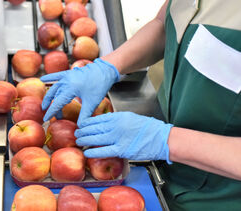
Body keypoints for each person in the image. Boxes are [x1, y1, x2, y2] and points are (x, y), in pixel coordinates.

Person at [40, 0, 241, 210]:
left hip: (216, 198)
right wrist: (109, 66)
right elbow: (167, 24)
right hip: (161, 153)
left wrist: (167, 140)